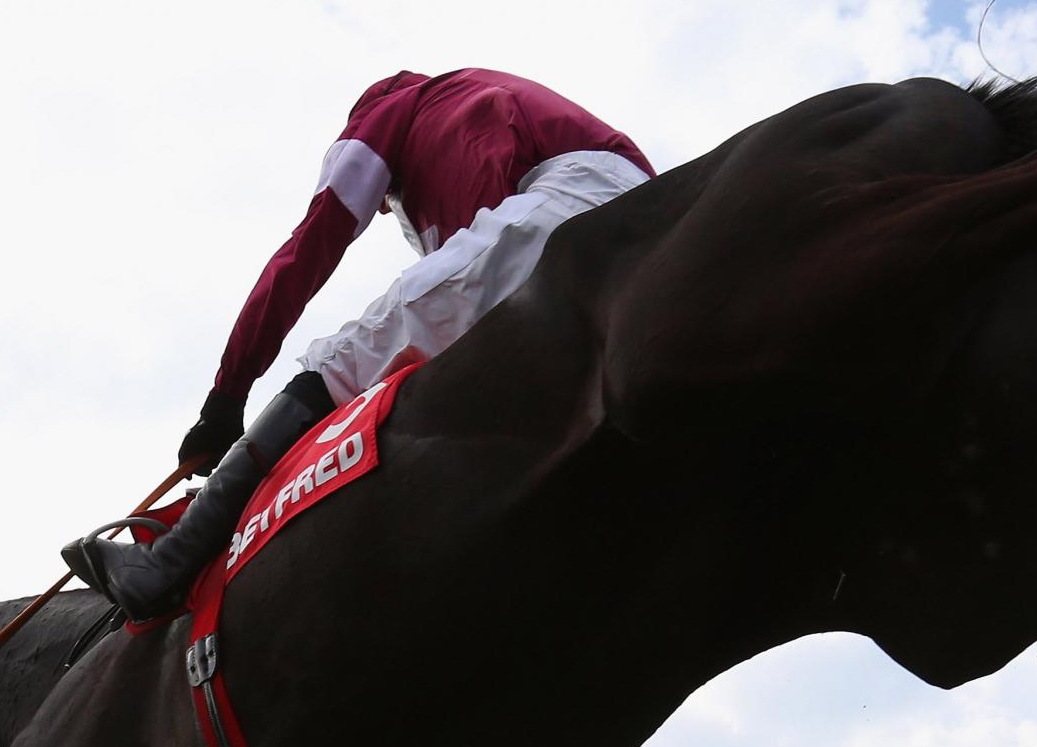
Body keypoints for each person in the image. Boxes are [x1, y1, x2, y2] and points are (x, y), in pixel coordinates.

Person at [62, 68, 652, 619]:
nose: (389, 203)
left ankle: (167, 562)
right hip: (628, 222)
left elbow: (304, 257)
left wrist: (226, 397)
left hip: (581, 200)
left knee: (348, 357)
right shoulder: (469, 115)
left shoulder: (393, 112)